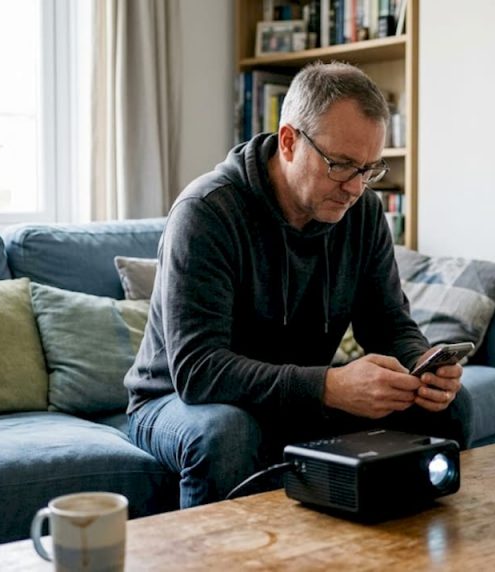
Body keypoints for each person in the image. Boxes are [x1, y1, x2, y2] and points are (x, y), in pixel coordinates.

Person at [124, 61, 471, 508]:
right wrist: (330, 386)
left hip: (295, 397)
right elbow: (198, 371)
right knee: (227, 432)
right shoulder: (207, 212)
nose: (355, 187)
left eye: (369, 169)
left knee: (451, 407)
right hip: (172, 402)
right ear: (288, 141)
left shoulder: (360, 211)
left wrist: (422, 365)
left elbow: (387, 322)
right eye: (341, 165)